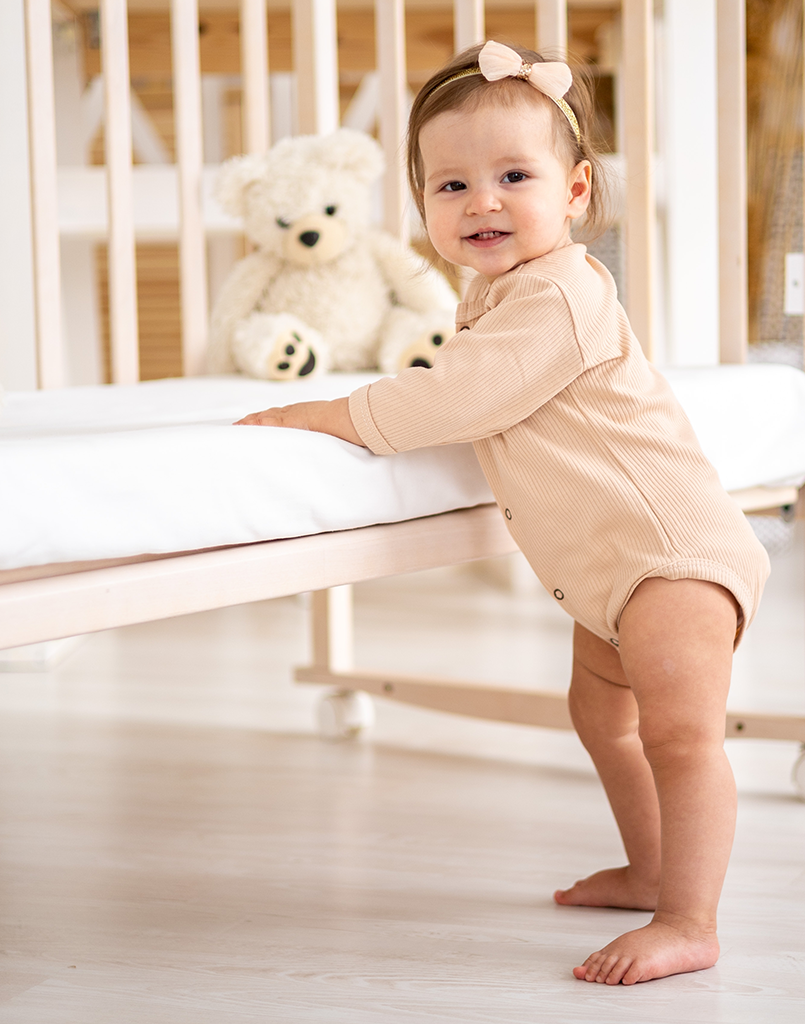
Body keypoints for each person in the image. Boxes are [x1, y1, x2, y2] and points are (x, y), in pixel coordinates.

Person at [236, 40, 769, 986]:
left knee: (679, 735)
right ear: (424, 206)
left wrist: (334, 414)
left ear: (573, 194)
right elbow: (467, 378)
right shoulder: (494, 292)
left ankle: (691, 917)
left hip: (670, 554)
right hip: (610, 570)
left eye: (513, 175)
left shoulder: (559, 293)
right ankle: (650, 866)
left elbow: (453, 399)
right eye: (450, 185)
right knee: (599, 718)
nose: (481, 201)